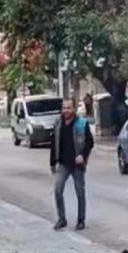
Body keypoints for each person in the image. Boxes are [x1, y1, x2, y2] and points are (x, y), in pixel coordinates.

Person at [50, 99, 94, 231]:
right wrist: (52, 162)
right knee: (58, 190)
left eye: (68, 108)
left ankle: (81, 220)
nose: (66, 111)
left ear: (73, 109)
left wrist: (83, 155)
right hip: (63, 163)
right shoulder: (58, 124)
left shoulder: (81, 123)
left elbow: (90, 142)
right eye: (64, 108)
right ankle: (61, 218)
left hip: (77, 164)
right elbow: (54, 144)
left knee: (80, 191)